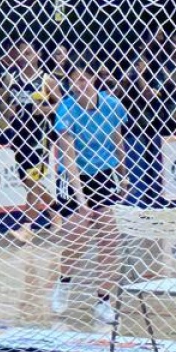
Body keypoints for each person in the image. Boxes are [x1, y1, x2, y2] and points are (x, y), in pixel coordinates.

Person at [52, 65, 129, 328]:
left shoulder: (112, 105)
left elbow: (117, 139)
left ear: (93, 78)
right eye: (75, 81)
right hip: (74, 177)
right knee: (78, 235)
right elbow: (68, 157)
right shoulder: (66, 109)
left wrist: (123, 173)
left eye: (84, 79)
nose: (80, 85)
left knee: (109, 239)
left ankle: (104, 302)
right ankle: (63, 284)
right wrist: (82, 200)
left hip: (104, 173)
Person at [0, 39, 59, 240]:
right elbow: (4, 102)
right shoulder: (11, 78)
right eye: (21, 53)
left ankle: (27, 228)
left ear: (38, 55)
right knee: (27, 181)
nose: (24, 57)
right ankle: (57, 211)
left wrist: (43, 110)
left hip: (39, 137)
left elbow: (62, 105)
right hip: (18, 135)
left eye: (28, 53)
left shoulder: (46, 80)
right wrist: (7, 110)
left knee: (31, 179)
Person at [118, 32, 176, 207]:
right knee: (141, 163)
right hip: (137, 123)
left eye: (161, 39)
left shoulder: (159, 67)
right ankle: (143, 198)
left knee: (158, 161)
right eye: (154, 38)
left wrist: (144, 79)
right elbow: (125, 92)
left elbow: (153, 93)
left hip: (157, 120)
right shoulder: (132, 68)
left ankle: (159, 197)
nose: (157, 42)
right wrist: (133, 76)